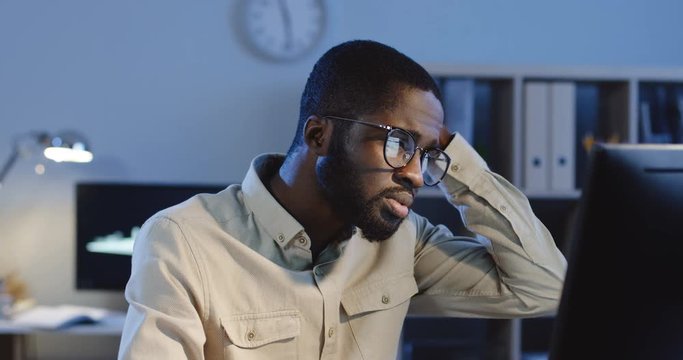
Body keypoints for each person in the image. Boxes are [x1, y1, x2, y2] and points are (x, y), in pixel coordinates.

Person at [118, 39, 567, 359]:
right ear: (319, 135)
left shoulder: (404, 241)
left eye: (425, 154)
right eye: (397, 143)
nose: (414, 173)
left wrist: (449, 151)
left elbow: (544, 289)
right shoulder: (185, 239)